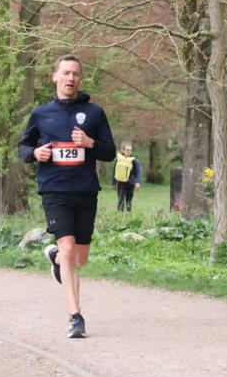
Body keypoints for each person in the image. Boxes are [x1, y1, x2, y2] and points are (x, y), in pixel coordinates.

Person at [18, 55, 116, 338]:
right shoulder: (41, 113)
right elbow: (24, 147)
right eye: (65, 73)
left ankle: (56, 258)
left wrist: (90, 143)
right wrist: (35, 153)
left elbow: (109, 152)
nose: (70, 78)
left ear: (80, 79)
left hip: (85, 190)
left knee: (79, 258)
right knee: (69, 248)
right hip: (54, 189)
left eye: (75, 73)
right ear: (55, 77)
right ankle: (75, 316)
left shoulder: (94, 113)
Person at [112, 143, 142, 212]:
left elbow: (138, 172)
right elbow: (115, 171)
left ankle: (128, 214)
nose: (128, 151)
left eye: (130, 150)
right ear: (123, 150)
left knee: (129, 200)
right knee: (120, 200)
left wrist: (138, 182)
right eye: (127, 150)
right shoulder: (119, 159)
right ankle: (120, 215)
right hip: (120, 183)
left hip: (130, 183)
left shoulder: (134, 160)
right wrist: (113, 182)